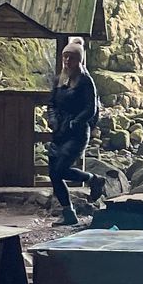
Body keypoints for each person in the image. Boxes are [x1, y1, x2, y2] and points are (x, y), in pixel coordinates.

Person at [45, 36, 110, 226]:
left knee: (60, 170)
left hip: (77, 133)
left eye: (71, 57)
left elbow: (92, 108)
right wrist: (53, 120)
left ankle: (93, 179)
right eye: (65, 57)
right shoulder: (59, 79)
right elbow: (51, 103)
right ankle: (69, 213)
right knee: (54, 175)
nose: (67, 61)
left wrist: (76, 121)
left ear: (79, 59)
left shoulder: (85, 81)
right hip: (59, 132)